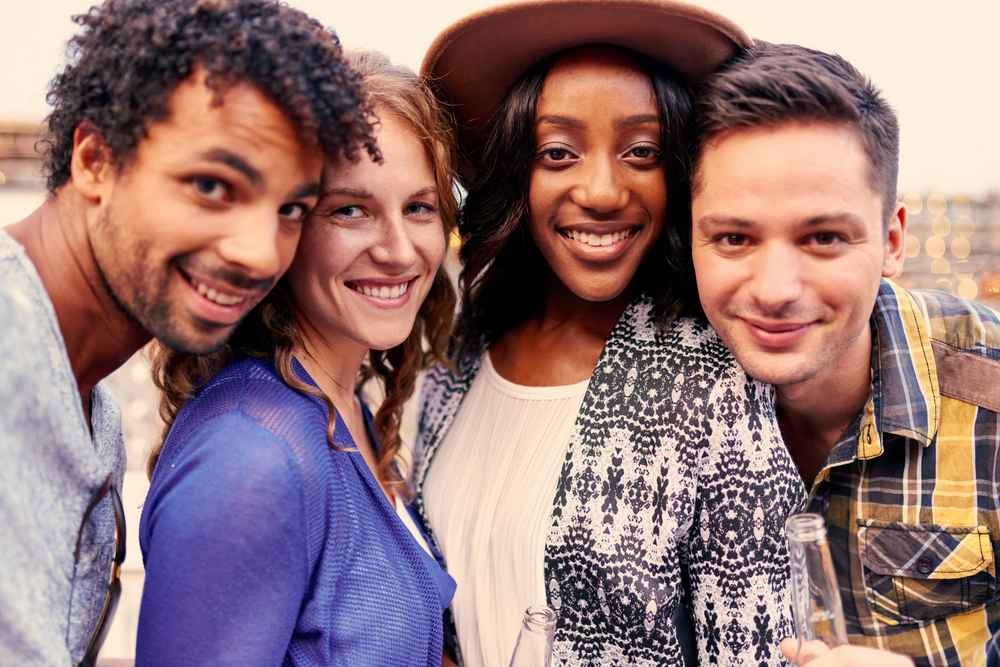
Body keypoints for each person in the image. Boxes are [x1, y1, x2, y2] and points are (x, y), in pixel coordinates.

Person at [412, 1, 806, 664]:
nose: (600, 190)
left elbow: (757, 649)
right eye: (558, 152)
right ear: (517, 172)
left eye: (641, 151)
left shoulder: (716, 379)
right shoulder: (462, 349)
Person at [0, 1, 375, 665]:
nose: (261, 253)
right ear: (94, 158)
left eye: (292, 208)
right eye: (211, 185)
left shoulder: (93, 411)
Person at [137, 51, 460, 666]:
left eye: (418, 207)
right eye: (350, 210)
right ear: (281, 226)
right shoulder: (252, 458)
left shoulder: (342, 402)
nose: (399, 250)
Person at [689, 41, 1000, 666]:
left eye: (823, 237)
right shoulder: (648, 397)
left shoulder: (991, 397)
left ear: (892, 241)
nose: (776, 290)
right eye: (733, 238)